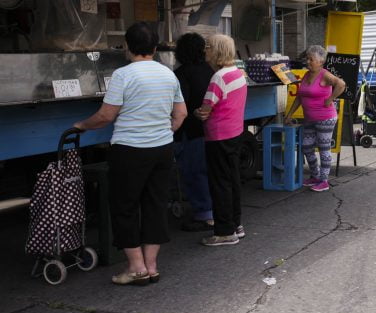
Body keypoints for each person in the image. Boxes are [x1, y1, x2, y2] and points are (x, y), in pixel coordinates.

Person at [74, 22, 187, 285]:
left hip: (129, 150)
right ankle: (152, 266)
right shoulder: (169, 74)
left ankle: (136, 267)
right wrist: (162, 131)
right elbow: (180, 114)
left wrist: (81, 126)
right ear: (155, 48)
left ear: (127, 46)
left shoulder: (123, 75)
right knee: (155, 205)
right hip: (162, 149)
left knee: (125, 207)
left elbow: (106, 116)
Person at [195, 34, 248, 247]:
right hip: (235, 132)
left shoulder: (218, 78)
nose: (205, 51)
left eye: (207, 47)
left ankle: (225, 231)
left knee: (220, 183)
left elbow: (206, 108)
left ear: (216, 51)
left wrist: (198, 112)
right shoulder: (238, 73)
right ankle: (236, 224)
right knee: (233, 180)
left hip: (218, 136)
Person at [284, 45, 346, 192]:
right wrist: (289, 114)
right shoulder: (306, 75)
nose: (308, 61)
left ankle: (324, 181)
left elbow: (341, 84)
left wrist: (331, 98)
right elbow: (299, 97)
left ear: (320, 61)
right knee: (306, 146)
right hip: (310, 119)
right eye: (307, 58)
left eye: (311, 59)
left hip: (325, 118)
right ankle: (315, 175)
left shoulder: (325, 75)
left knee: (324, 149)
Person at [173, 33, 215, 232]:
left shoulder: (181, 73)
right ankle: (212, 210)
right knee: (210, 172)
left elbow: (180, 104)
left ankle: (205, 215)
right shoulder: (211, 70)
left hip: (190, 129)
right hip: (212, 129)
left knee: (194, 172)